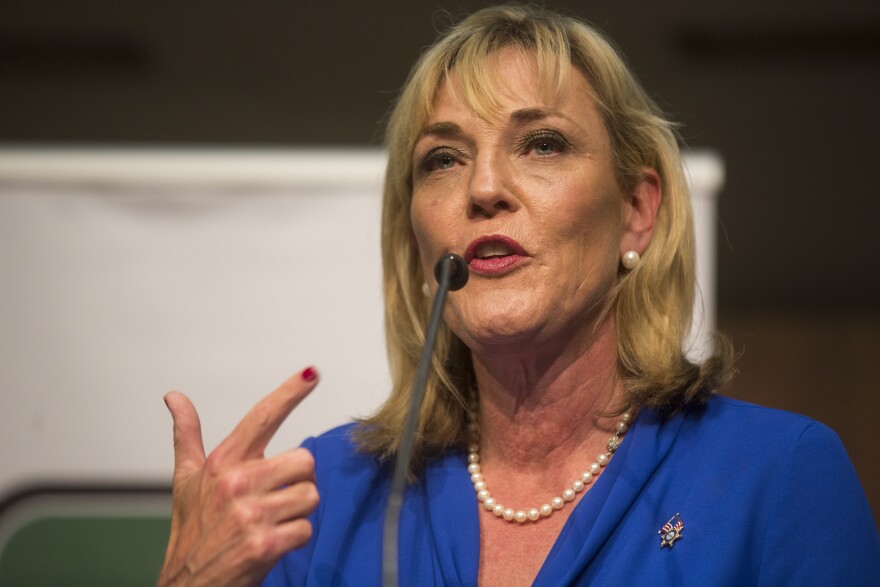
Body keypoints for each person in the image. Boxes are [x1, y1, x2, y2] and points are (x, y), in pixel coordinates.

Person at [158, 5, 880, 586]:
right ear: (418, 243)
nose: (483, 189)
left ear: (637, 210)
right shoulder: (320, 503)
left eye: (541, 144)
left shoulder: (777, 478)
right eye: (443, 158)